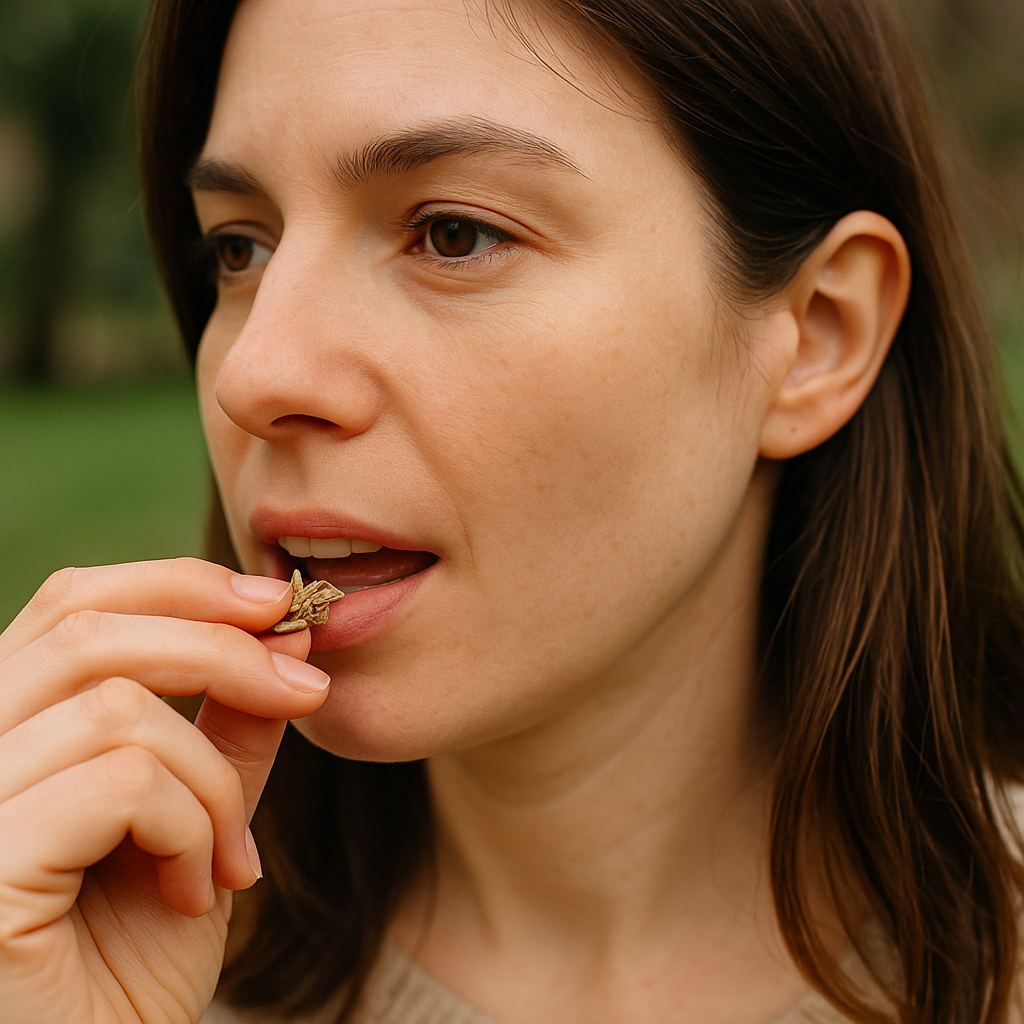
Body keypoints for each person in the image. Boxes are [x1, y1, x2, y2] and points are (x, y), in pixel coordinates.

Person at [3, 0, 1023, 1021]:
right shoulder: (89, 966)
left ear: (816, 338)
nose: (255, 373)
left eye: (454, 233)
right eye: (239, 247)